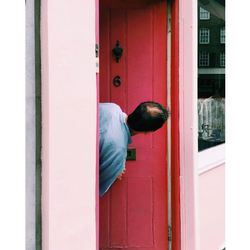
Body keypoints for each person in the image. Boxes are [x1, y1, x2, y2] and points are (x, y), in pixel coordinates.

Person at [99, 101, 169, 196]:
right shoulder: (118, 152)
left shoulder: (112, 107)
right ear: (148, 132)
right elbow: (96, 186)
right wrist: (115, 172)